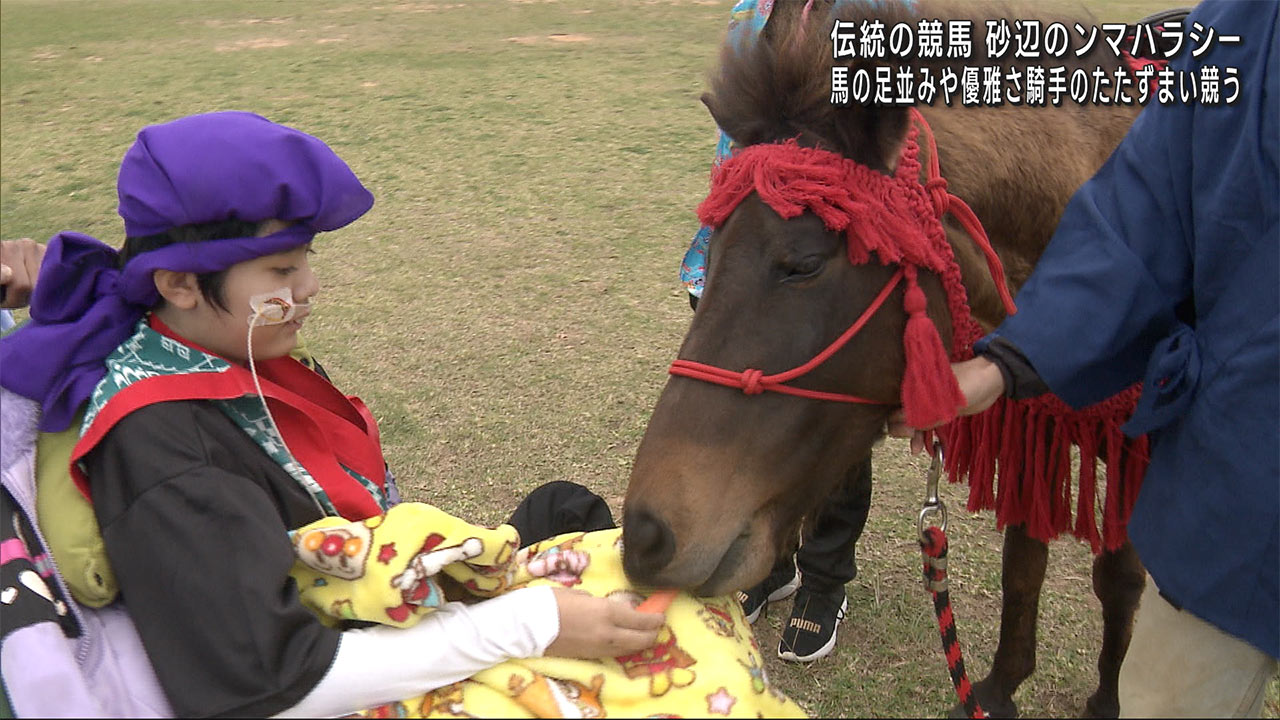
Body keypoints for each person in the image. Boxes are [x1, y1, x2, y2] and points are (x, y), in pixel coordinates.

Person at [0, 111, 666, 718]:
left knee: (566, 510)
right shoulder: (160, 443)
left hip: (365, 597)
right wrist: (529, 623)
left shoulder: (211, 350)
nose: (309, 288)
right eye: (283, 270)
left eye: (306, 261)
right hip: (332, 681)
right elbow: (267, 683)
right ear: (177, 285)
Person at [890, 1, 1278, 716]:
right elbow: (1141, 218)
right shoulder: (1245, 29)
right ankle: (1028, 670)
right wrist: (1005, 362)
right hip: (1238, 495)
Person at [681, 0, 872, 664]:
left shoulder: (884, 11)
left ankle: (826, 582)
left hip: (827, 261)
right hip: (743, 258)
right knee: (752, 422)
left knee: (826, 430)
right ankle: (773, 563)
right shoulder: (747, 14)